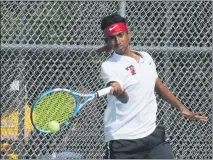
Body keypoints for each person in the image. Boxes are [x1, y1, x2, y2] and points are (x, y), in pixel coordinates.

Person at [98, 13, 208, 159]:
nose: (117, 41)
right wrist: (120, 91)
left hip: (153, 136)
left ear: (129, 34)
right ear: (107, 41)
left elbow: (160, 89)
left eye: (120, 35)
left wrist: (183, 109)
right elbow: (124, 99)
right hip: (124, 142)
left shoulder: (146, 57)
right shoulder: (109, 66)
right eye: (112, 38)